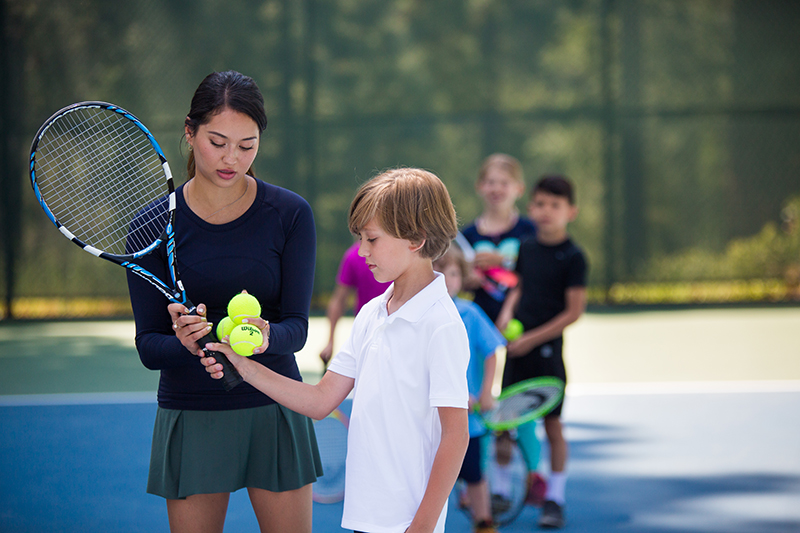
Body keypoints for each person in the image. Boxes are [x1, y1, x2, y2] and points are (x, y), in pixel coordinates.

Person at [200, 168, 471, 533]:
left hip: (407, 523)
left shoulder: (442, 325)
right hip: (366, 517)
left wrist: (421, 526)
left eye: (372, 240)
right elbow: (320, 399)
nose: (362, 252)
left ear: (416, 239)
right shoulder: (372, 313)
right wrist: (243, 366)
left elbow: (456, 434)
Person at [127, 70, 321, 533]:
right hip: (190, 412)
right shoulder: (151, 224)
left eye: (247, 145)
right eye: (218, 142)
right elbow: (149, 347)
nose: (232, 157)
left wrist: (259, 336)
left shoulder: (291, 215)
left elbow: (297, 328)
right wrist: (187, 344)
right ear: (190, 133)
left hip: (274, 405)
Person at [496, 175, 588, 529]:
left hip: (547, 355)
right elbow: (518, 287)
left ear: (571, 212)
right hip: (517, 352)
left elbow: (573, 311)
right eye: (540, 204)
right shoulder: (526, 248)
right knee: (504, 425)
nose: (546, 211)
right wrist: (505, 315)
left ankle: (555, 499)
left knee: (552, 426)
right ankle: (502, 491)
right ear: (530, 208)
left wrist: (532, 338)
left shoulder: (574, 257)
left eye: (555, 205)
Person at [460, 153, 545, 504]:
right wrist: (470, 276)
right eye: (490, 181)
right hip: (480, 339)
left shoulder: (528, 232)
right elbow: (458, 283)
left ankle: (537, 476)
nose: (496, 188)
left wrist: (502, 263)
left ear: (518, 189)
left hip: (520, 335)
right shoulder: (467, 236)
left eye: (504, 182)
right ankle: (481, 485)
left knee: (519, 405)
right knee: (480, 407)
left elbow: (533, 275)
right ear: (480, 186)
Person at [433, 246, 505, 533]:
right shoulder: (421, 314)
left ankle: (483, 521)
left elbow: (491, 352)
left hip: (468, 422)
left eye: (452, 273)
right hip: (431, 421)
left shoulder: (471, 313)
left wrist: (485, 392)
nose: (446, 280)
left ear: (462, 278)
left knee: (474, 474)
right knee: (431, 480)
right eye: (438, 272)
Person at [319, 241, 391, 365]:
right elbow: (339, 300)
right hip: (367, 336)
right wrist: (330, 341)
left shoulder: (400, 255)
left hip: (397, 332)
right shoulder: (353, 256)